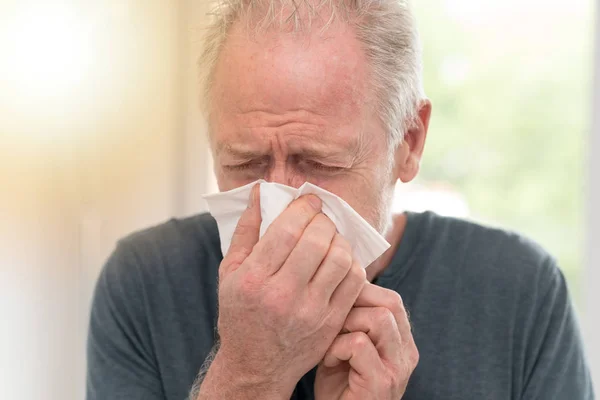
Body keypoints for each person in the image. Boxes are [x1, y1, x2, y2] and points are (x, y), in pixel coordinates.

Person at [86, 0, 595, 399]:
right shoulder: (144, 283)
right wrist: (248, 375)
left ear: (409, 143)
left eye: (320, 165)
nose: (277, 203)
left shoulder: (518, 292)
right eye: (243, 162)